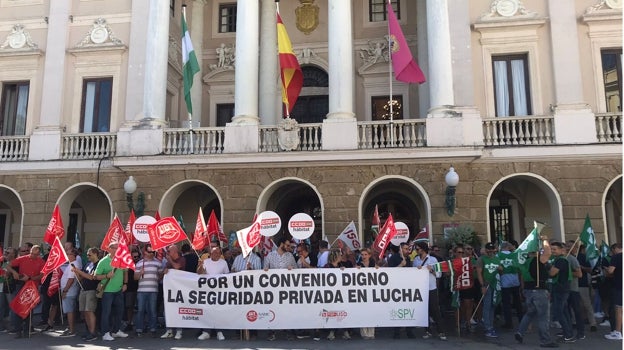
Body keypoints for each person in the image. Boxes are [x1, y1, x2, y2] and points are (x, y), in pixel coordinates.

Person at [514, 238, 558, 347]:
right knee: (543, 316)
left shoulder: (525, 261)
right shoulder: (537, 260)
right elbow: (548, 253)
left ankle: (520, 332)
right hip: (539, 290)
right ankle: (545, 340)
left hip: (528, 290)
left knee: (530, 313)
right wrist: (545, 240)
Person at [6, 244, 44, 338]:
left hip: (32, 285)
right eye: (31, 253)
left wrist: (31, 278)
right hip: (21, 284)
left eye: (35, 254)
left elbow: (42, 275)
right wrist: (14, 272)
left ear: (38, 254)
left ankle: (27, 329)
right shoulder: (23, 258)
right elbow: (8, 266)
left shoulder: (41, 261)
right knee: (19, 306)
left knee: (29, 308)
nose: (32, 255)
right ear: (30, 251)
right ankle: (18, 330)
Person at [264, 237, 297, 341]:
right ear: (281, 244)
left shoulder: (290, 256)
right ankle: (272, 331)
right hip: (273, 289)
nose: (288, 247)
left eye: (289, 246)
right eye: (287, 245)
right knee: (273, 309)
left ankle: (288, 330)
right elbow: (264, 269)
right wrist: (266, 270)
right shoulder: (270, 255)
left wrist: (292, 269)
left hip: (287, 289)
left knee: (287, 310)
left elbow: (296, 269)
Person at [94, 242, 129, 341]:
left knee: (120, 311)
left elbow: (125, 272)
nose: (117, 250)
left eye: (118, 248)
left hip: (119, 290)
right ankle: (105, 333)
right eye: (115, 248)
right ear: (109, 249)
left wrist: (125, 283)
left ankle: (116, 331)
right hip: (107, 291)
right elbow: (96, 276)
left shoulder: (121, 260)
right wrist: (106, 276)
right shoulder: (103, 261)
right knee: (106, 312)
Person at [413, 242, 446, 341]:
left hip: (431, 288)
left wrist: (432, 270)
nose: (416, 251)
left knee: (435, 310)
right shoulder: (416, 260)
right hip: (420, 288)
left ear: (423, 249)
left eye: (418, 249)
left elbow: (439, 275)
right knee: (424, 311)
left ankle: (441, 331)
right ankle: (428, 330)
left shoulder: (433, 260)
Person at [197, 246, 229, 341]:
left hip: (219, 291)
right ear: (211, 254)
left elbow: (227, 276)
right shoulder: (205, 262)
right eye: (215, 253)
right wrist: (200, 266)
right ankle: (206, 332)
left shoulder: (224, 263)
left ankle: (219, 331)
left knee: (218, 311)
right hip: (207, 291)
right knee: (207, 311)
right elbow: (199, 273)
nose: (217, 254)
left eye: (219, 253)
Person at [71, 247, 100, 341]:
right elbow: (82, 276)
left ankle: (93, 332)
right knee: (84, 312)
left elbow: (91, 277)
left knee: (89, 311)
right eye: (87, 254)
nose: (87, 256)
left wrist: (79, 272)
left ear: (96, 254)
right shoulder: (88, 264)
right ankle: (88, 330)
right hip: (83, 289)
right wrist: (76, 272)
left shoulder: (98, 264)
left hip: (92, 290)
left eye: (89, 254)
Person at [134, 244, 162, 338]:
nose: (152, 253)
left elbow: (161, 275)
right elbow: (135, 277)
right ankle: (139, 329)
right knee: (140, 310)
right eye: (150, 252)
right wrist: (140, 273)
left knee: (152, 311)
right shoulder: (139, 263)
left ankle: (153, 329)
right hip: (141, 290)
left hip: (154, 290)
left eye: (153, 252)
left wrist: (160, 275)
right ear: (145, 252)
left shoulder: (158, 263)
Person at [549, 241, 575, 343]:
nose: (553, 251)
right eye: (552, 249)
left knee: (559, 312)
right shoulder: (559, 260)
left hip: (561, 289)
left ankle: (568, 335)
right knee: (564, 311)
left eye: (554, 249)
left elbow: (552, 273)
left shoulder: (561, 260)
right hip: (561, 289)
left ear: (561, 250)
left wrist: (548, 266)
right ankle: (568, 332)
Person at [476, 242, 502, 338]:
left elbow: (500, 270)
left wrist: (500, 269)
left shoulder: (496, 259)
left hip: (495, 285)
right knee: (487, 306)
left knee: (493, 305)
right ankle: (487, 327)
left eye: (492, 249)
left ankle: (490, 326)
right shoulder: (481, 259)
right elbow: (479, 273)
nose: (491, 251)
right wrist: (482, 285)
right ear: (486, 250)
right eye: (489, 249)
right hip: (486, 285)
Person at [160, 245, 185, 340]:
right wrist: (164, 271)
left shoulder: (182, 259)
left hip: (179, 290)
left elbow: (177, 267)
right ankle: (169, 330)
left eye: (169, 251)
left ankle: (179, 331)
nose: (168, 253)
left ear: (175, 252)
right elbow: (164, 273)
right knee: (167, 310)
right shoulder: (168, 262)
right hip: (169, 290)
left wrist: (169, 260)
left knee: (178, 310)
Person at [498, 242, 524, 329]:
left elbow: (499, 268)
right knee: (518, 303)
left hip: (505, 281)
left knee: (506, 303)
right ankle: (522, 320)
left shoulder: (498, 255)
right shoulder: (515, 255)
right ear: (508, 247)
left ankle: (508, 323)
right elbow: (519, 268)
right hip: (515, 281)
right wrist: (520, 281)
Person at [565, 241, 585, 340]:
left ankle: (581, 332)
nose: (568, 248)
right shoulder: (561, 259)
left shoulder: (572, 259)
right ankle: (568, 331)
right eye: (566, 246)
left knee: (577, 311)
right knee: (565, 311)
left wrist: (566, 273)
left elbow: (579, 274)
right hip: (563, 290)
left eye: (570, 246)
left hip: (573, 289)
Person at [59, 248, 80, 336]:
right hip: (69, 291)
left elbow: (71, 279)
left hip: (69, 292)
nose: (67, 255)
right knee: (69, 310)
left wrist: (65, 290)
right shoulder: (72, 264)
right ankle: (70, 327)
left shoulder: (73, 264)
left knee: (70, 310)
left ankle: (72, 330)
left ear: (73, 255)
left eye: (68, 254)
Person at [357, 247, 376, 340]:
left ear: (369, 255)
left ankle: (371, 332)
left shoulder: (373, 264)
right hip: (362, 291)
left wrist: (377, 269)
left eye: (365, 254)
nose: (363, 256)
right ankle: (364, 333)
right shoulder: (358, 264)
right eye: (362, 254)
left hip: (372, 291)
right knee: (363, 311)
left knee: (371, 311)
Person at [604, 243, 622, 340]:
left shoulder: (616, 257)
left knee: (619, 310)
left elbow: (610, 271)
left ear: (615, 249)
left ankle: (618, 332)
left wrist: (606, 269)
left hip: (619, 286)